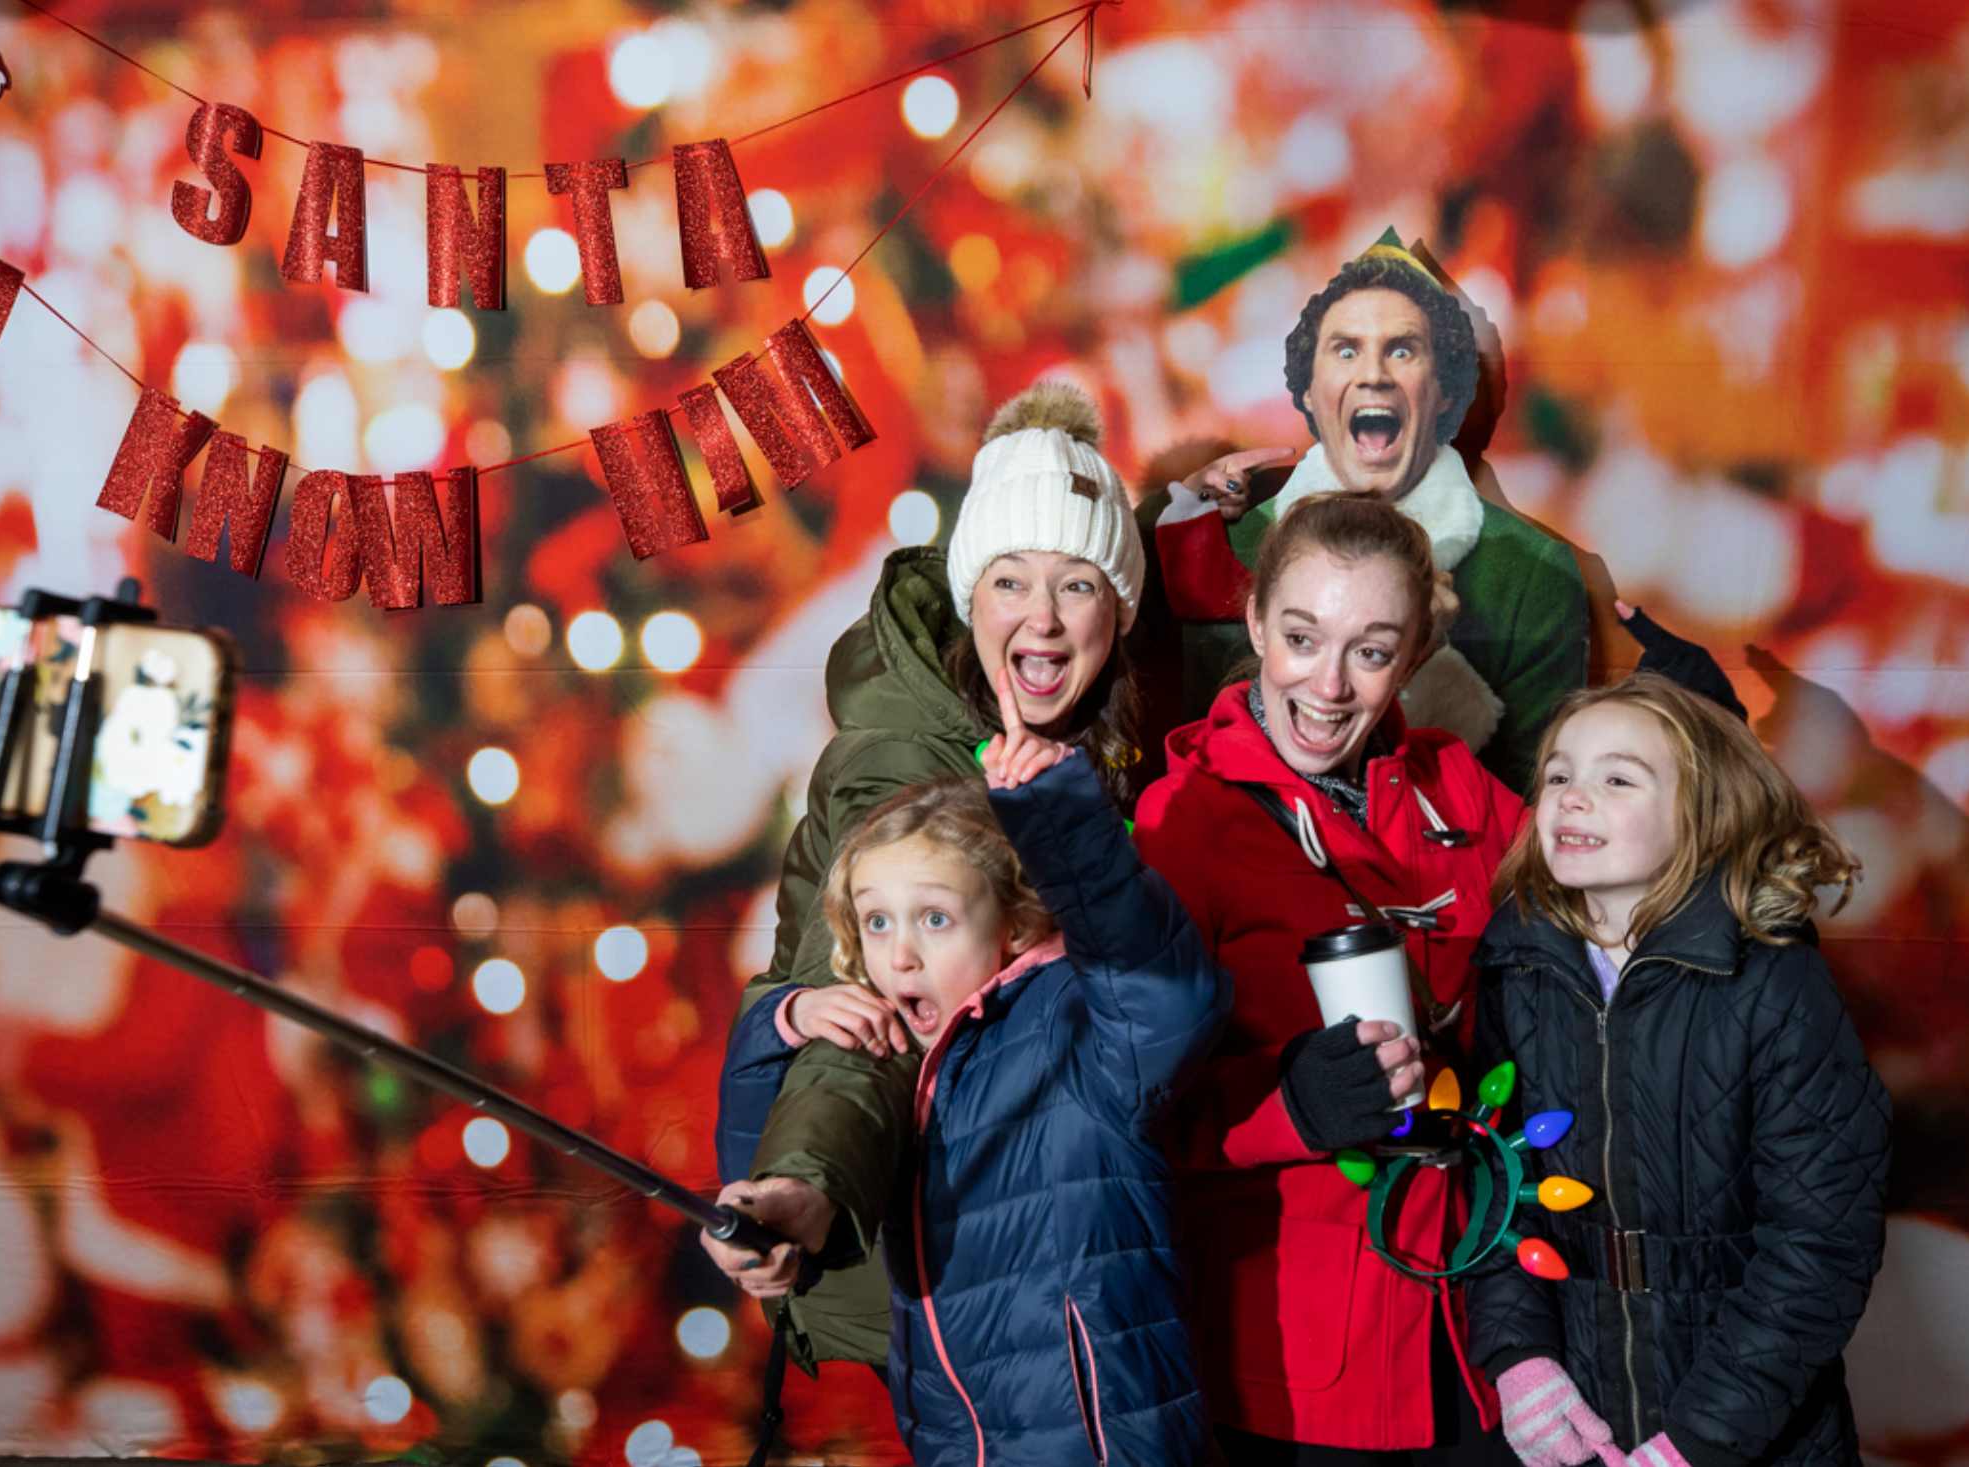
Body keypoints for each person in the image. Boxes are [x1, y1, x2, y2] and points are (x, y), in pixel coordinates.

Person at [712, 379, 1155, 1373]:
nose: (1040, 619)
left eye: (1075, 584)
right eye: (1009, 581)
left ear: (1118, 609)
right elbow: (863, 1017)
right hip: (955, 1269)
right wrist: (803, 1183)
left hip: (1082, 1251)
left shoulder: (1105, 737)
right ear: (969, 597)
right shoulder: (902, 768)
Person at [706, 671, 1230, 1467]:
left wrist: (1061, 817)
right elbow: (762, 1156)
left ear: (1016, 924)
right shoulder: (915, 1052)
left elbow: (1161, 989)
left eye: (935, 917)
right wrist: (785, 1023)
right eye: (877, 920)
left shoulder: (1074, 1028)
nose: (900, 951)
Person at [1133, 492, 1522, 1464]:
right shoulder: (1181, 822)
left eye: (1371, 649)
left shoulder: (1459, 791)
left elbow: (1597, 924)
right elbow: (1113, 1106)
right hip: (1300, 1366)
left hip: (1479, 1333)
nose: (1329, 685)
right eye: (1302, 637)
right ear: (1256, 618)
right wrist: (1290, 1106)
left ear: (1416, 653)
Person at [1467, 672, 1890, 1467]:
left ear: (1701, 812)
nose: (1573, 795)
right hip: (1580, 1415)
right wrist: (1518, 1358)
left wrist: (1697, 1441)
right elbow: (1495, 1186)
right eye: (1558, 773)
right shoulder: (1514, 965)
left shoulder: (1770, 984)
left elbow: (1821, 1244)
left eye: (1617, 777)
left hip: (1751, 1429)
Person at [1152, 229, 1589, 793]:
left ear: (1446, 392)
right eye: (1346, 349)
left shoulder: (1535, 578)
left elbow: (1531, 811)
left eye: (1402, 350)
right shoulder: (1229, 544)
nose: (1374, 374)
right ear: (1309, 392)